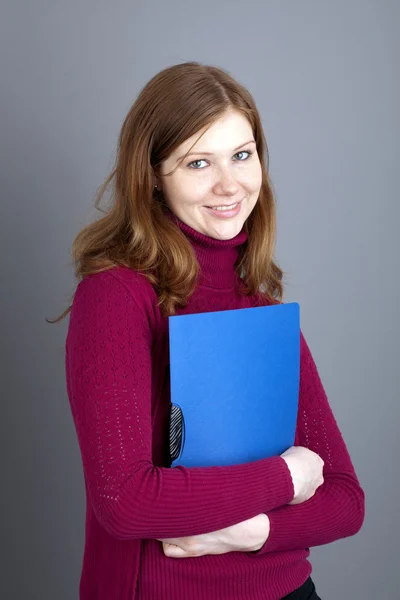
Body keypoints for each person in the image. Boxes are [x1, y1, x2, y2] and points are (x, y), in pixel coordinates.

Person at [52, 61, 365, 599]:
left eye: (242, 155)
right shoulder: (117, 296)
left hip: (289, 588)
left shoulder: (258, 302)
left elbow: (344, 499)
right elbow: (125, 502)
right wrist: (285, 479)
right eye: (199, 163)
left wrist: (253, 532)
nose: (230, 184)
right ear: (152, 175)